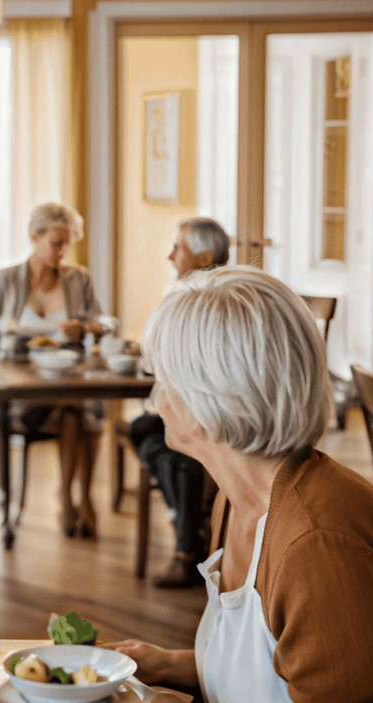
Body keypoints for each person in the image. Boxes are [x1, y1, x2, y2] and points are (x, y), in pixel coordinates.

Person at [105, 266, 373, 703]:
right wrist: (171, 664)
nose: (156, 397)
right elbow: (274, 669)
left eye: (165, 378)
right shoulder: (237, 500)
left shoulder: (320, 546)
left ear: (208, 402)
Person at [0, 202, 105, 537]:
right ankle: (71, 500)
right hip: (21, 382)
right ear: (35, 236)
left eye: (67, 243)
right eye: (56, 243)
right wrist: (6, 325)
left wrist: (86, 328)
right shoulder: (8, 279)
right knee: (77, 412)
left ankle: (78, 498)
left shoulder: (79, 279)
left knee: (78, 409)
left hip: (68, 376)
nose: (63, 251)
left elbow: (104, 321)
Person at [129, 217, 230, 588]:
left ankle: (188, 548)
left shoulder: (210, 298)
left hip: (215, 409)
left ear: (204, 257)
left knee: (177, 451)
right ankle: (184, 518)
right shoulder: (189, 291)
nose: (170, 254)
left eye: (179, 248)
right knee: (144, 431)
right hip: (193, 402)